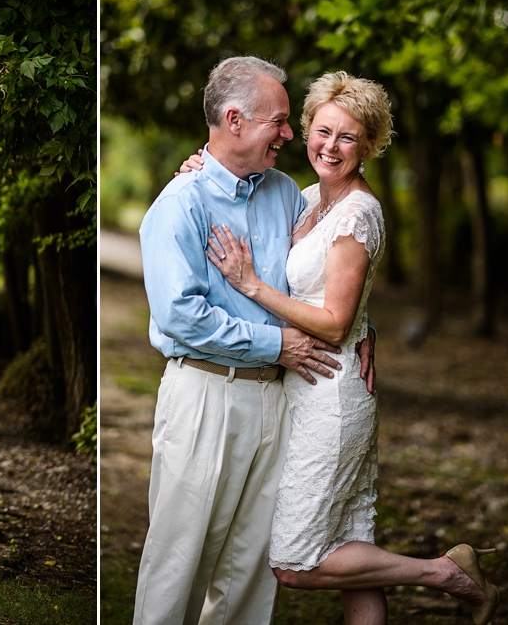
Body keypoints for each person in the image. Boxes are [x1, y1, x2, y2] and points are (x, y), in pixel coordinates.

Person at [186, 71, 499, 625]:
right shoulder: (307, 200)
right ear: (307, 129)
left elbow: (333, 323)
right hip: (311, 388)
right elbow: (342, 299)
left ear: (370, 145)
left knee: (296, 563)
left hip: (330, 397)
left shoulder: (357, 214)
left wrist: (251, 284)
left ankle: (445, 572)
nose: (330, 146)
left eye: (348, 137)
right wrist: (199, 167)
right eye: (323, 131)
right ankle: (444, 573)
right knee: (352, 541)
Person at [133, 56, 371, 625]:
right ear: (234, 121)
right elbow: (180, 317)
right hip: (206, 397)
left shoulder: (288, 193)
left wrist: (362, 331)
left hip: (280, 400)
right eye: (280, 122)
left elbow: (328, 273)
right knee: (179, 563)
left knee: (250, 573)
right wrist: (276, 346)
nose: (291, 135)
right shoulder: (180, 204)